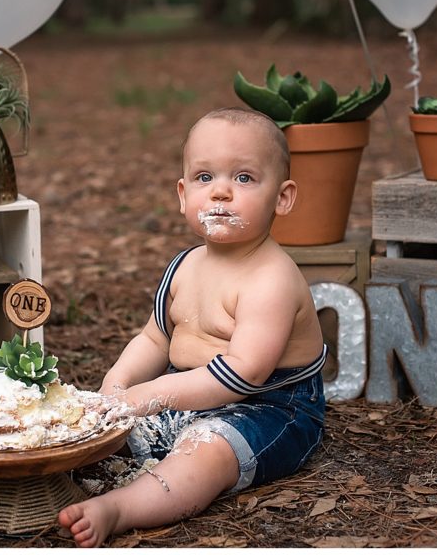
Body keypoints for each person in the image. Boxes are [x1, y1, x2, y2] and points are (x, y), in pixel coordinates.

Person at [59, 107, 327, 547]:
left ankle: (120, 508)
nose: (220, 192)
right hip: (183, 393)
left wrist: (146, 396)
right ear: (183, 194)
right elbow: (154, 338)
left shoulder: (271, 279)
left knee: (204, 455)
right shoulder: (184, 266)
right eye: (205, 178)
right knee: (103, 432)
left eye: (243, 178)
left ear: (282, 197)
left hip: (269, 408)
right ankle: (27, 473)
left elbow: (244, 373)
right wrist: (117, 385)